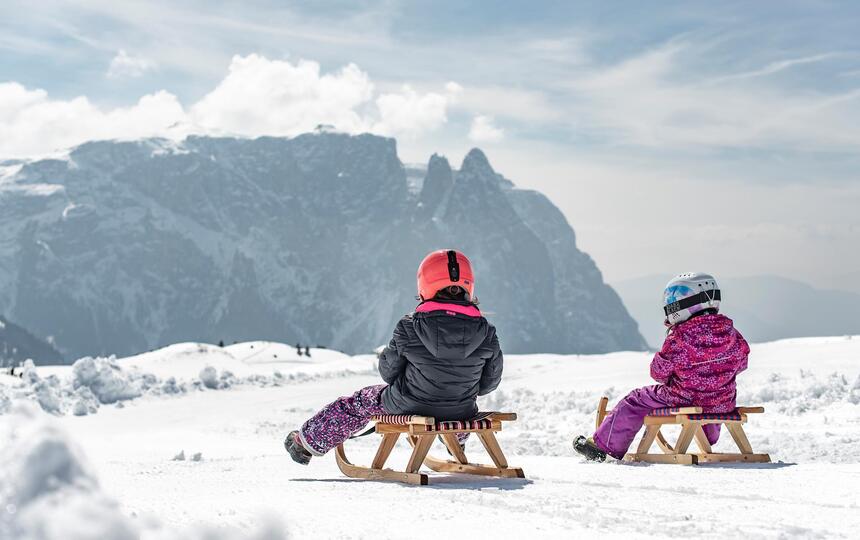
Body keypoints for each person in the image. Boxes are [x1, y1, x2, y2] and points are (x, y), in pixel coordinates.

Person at [284, 249, 503, 465]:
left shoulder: (409, 326)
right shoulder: (487, 332)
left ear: (424, 285)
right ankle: (457, 439)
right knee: (460, 404)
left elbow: (388, 373)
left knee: (358, 402)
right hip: (461, 411)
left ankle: (306, 443)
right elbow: (488, 384)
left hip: (408, 404)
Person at [573, 272, 749, 461]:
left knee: (635, 400)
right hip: (721, 401)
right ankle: (709, 436)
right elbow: (742, 363)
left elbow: (658, 373)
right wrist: (718, 375)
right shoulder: (731, 333)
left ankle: (604, 446)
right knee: (710, 398)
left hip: (684, 398)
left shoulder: (679, 338)